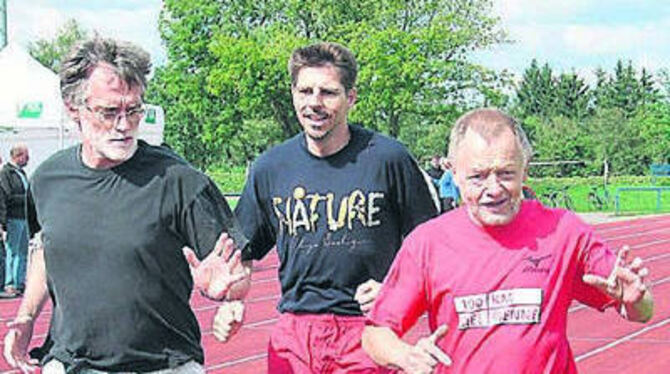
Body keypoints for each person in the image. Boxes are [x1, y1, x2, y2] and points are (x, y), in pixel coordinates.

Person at [3, 36, 249, 374]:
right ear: (73, 108)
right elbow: (45, 246)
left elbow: (236, 273)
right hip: (69, 363)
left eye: (133, 110)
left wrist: (227, 291)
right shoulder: (47, 179)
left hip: (162, 365)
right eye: (109, 112)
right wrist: (26, 316)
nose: (124, 125)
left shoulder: (180, 180)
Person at [362, 108, 653, 374]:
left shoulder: (564, 231)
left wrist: (636, 299)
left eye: (506, 174)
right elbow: (375, 332)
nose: (494, 189)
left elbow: (641, 311)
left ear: (525, 169)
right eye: (478, 176)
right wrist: (404, 355)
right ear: (453, 174)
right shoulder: (427, 242)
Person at [213, 42, 437, 373]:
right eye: (305, 91)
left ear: (351, 97)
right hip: (295, 333)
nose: (314, 103)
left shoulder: (389, 159)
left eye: (328, 93)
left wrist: (396, 290)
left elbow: (431, 249)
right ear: (293, 95)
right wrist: (232, 300)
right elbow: (242, 254)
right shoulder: (270, 168)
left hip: (368, 331)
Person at [0, 144, 30, 297]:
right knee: (13, 251)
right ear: (17, 156)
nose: (28, 159)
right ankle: (10, 283)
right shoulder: (6, 173)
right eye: (26, 156)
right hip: (13, 217)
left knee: (23, 252)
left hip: (24, 217)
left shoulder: (21, 173)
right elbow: (7, 196)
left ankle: (20, 282)